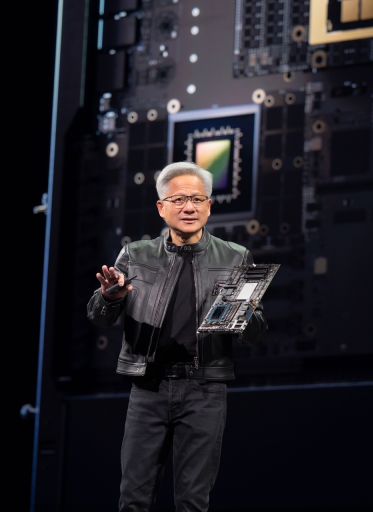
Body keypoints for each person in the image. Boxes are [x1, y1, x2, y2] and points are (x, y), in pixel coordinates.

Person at [87, 161, 268, 511]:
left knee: (192, 502)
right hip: (148, 388)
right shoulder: (135, 255)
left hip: (205, 389)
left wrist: (243, 313)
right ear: (161, 207)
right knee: (133, 499)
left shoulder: (235, 257)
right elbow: (98, 317)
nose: (189, 207)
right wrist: (109, 297)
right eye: (180, 199)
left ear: (209, 206)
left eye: (198, 199)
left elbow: (256, 336)